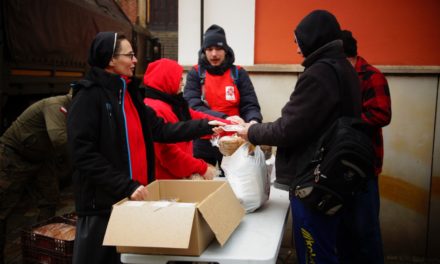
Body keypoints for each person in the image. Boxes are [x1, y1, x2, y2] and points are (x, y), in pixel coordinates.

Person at [67, 32, 220, 264]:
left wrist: (207, 125)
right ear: (110, 60)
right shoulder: (88, 96)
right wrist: (125, 185)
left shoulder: (130, 94)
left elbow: (163, 131)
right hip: (103, 208)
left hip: (135, 201)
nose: (135, 60)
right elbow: (83, 155)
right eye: (130, 55)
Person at [236, 10, 365, 264]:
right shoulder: (344, 68)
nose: (297, 50)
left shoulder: (319, 73)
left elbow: (289, 129)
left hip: (315, 183)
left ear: (314, 38)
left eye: (299, 41)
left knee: (315, 253)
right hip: (338, 179)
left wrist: (249, 131)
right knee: (335, 248)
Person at [338, 29, 391, 263]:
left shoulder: (372, 76)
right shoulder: (337, 76)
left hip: (365, 167)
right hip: (338, 166)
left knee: (366, 232)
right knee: (343, 232)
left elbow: (381, 115)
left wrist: (345, 122)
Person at [0, 93, 72, 264]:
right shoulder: (56, 105)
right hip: (14, 157)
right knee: (3, 208)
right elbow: (59, 139)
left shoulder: (74, 109)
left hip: (41, 158)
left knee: (49, 201)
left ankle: (42, 249)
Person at [183, 24, 263, 170]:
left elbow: (250, 104)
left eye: (218, 49)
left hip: (234, 140)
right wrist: (224, 118)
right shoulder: (196, 73)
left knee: (234, 186)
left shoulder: (238, 73)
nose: (214, 54)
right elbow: (193, 105)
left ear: (226, 50)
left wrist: (253, 121)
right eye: (209, 49)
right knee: (203, 185)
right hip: (203, 137)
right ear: (204, 51)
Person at [143, 58, 233, 180]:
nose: (182, 83)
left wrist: (232, 127)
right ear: (167, 79)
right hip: (165, 181)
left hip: (177, 177)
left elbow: (198, 117)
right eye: (179, 79)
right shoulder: (154, 108)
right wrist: (202, 167)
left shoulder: (172, 103)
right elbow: (169, 154)